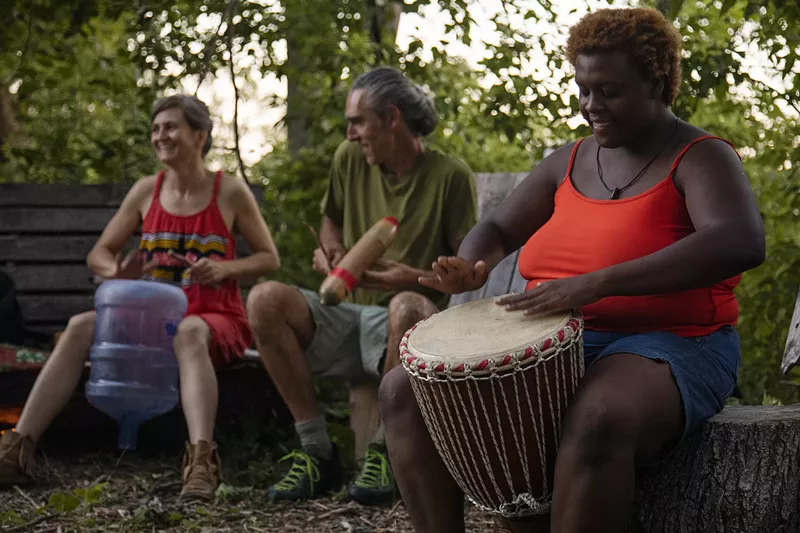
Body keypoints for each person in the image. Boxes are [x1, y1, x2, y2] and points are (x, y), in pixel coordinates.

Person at [380, 7, 765, 533]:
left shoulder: (700, 157)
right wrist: (472, 265)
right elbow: (496, 230)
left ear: (657, 82)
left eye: (608, 91)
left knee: (600, 413)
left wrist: (598, 282)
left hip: (677, 341)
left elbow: (738, 242)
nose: (591, 105)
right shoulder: (570, 160)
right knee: (403, 389)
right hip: (557, 337)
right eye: (583, 89)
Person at [0, 95, 280, 501]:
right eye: (155, 129)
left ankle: (202, 461)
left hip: (211, 317)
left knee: (188, 330)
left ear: (200, 135)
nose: (160, 136)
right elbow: (99, 252)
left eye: (170, 127)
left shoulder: (229, 192)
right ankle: (17, 449)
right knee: (80, 326)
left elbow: (269, 258)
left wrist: (224, 269)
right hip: (149, 318)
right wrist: (117, 273)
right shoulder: (146, 191)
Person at [246, 67, 478, 505]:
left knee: (407, 304)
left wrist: (410, 276)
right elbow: (330, 218)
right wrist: (330, 250)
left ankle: (385, 453)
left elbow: (464, 272)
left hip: (411, 326)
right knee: (264, 299)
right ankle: (316, 451)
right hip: (347, 315)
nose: (350, 133)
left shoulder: (450, 175)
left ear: (392, 117)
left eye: (357, 122)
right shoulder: (349, 159)